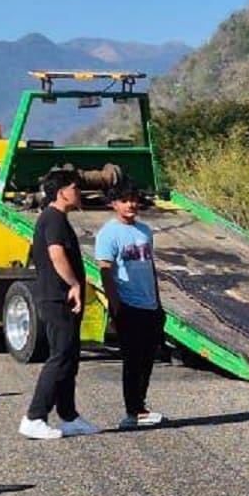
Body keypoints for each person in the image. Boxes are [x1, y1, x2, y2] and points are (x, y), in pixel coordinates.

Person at [19, 169, 99, 440]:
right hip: (56, 297)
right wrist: (74, 284)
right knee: (60, 355)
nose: (80, 192)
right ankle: (34, 417)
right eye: (76, 188)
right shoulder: (53, 219)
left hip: (62, 298)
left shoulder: (58, 218)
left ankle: (69, 416)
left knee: (70, 357)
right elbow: (56, 255)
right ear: (62, 192)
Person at [95, 180, 166, 428]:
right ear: (114, 204)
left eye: (134, 200)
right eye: (125, 200)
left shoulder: (145, 231)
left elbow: (150, 267)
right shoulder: (108, 233)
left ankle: (141, 406)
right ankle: (132, 411)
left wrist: (158, 301)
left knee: (148, 358)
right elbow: (106, 271)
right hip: (128, 305)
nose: (131, 205)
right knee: (133, 360)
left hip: (150, 305)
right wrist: (116, 308)